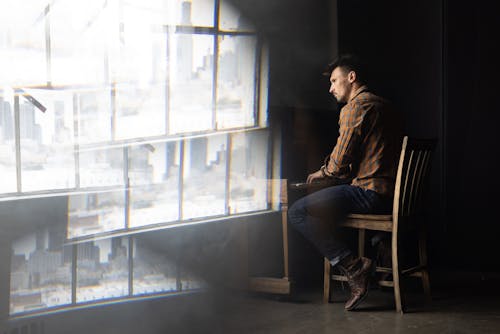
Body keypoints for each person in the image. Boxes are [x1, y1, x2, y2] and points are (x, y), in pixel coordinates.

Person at [288, 54, 403, 311]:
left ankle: (354, 267)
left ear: (351, 78)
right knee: (339, 193)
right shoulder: (387, 106)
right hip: (395, 197)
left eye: (334, 81)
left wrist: (323, 173)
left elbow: (339, 164)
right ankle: (381, 248)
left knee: (297, 212)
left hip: (371, 194)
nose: (331, 88)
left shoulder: (355, 107)